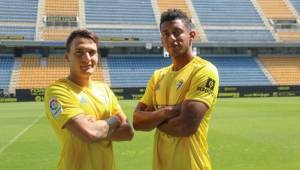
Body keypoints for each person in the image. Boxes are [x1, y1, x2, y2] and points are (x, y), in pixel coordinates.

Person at [133, 9, 219, 170]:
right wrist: (168, 112)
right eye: (166, 34)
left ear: (191, 35)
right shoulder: (158, 76)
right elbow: (137, 122)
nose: (171, 38)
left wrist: (153, 118)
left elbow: (185, 126)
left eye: (177, 32)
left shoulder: (204, 70)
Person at [44, 29, 134, 170]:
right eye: (79, 52)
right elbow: (89, 134)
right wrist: (114, 121)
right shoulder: (58, 91)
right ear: (67, 57)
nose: (87, 59)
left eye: (92, 52)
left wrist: (97, 128)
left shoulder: (104, 89)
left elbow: (128, 132)